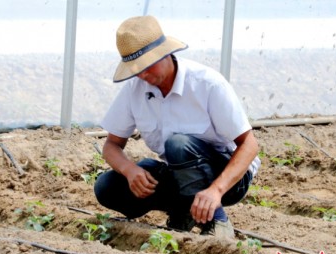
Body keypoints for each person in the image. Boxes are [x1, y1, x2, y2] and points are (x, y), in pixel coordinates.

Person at [94, 15, 260, 238]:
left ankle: (218, 221)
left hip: (227, 178)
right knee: (107, 186)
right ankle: (183, 209)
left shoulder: (207, 84)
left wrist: (215, 191)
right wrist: (130, 170)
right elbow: (111, 145)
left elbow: (249, 146)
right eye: (136, 70)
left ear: (165, 53)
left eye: (147, 66)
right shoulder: (135, 89)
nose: (143, 75)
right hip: (180, 174)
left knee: (178, 145)